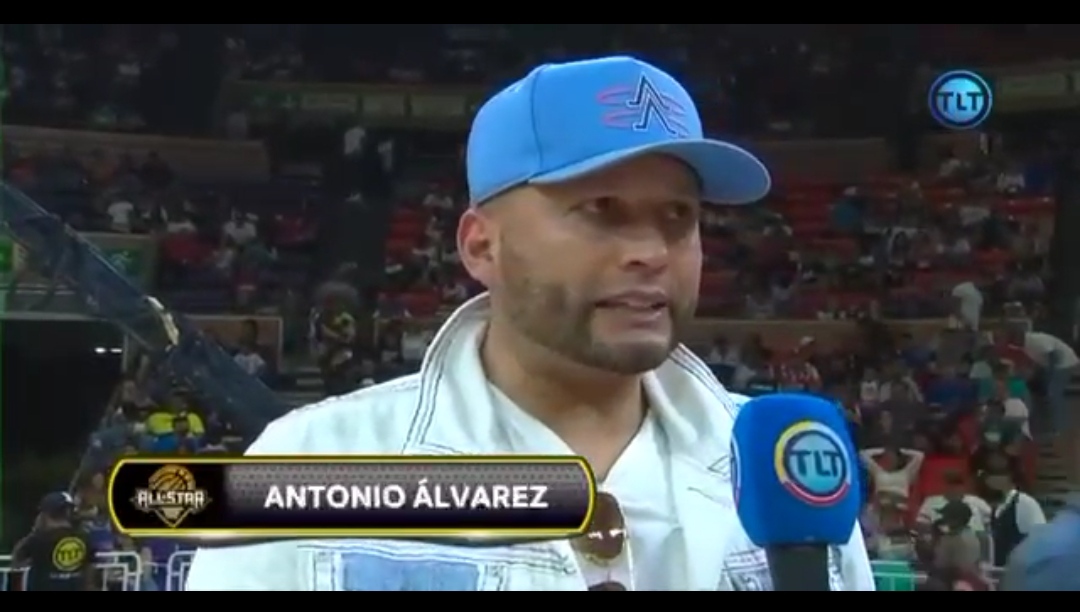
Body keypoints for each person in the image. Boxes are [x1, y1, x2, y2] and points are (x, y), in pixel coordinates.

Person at [185, 55, 875, 591]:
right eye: (601, 210)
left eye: (679, 218)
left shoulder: (785, 468)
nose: (652, 252)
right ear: (482, 246)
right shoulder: (314, 460)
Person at [10, 492, 96, 591]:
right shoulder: (84, 537)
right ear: (68, 512)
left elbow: (17, 560)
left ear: (45, 514)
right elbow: (90, 567)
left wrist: (35, 530)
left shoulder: (38, 539)